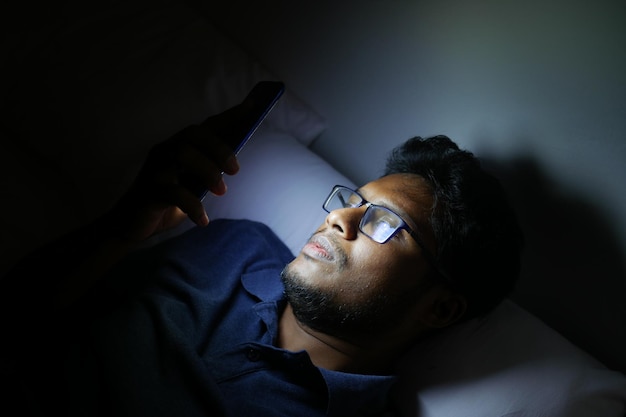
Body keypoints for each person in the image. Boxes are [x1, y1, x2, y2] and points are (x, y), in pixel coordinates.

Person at [0, 104, 523, 416]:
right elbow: (23, 312)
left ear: (439, 309)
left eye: (384, 224)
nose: (339, 220)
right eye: (352, 202)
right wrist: (121, 228)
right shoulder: (235, 243)